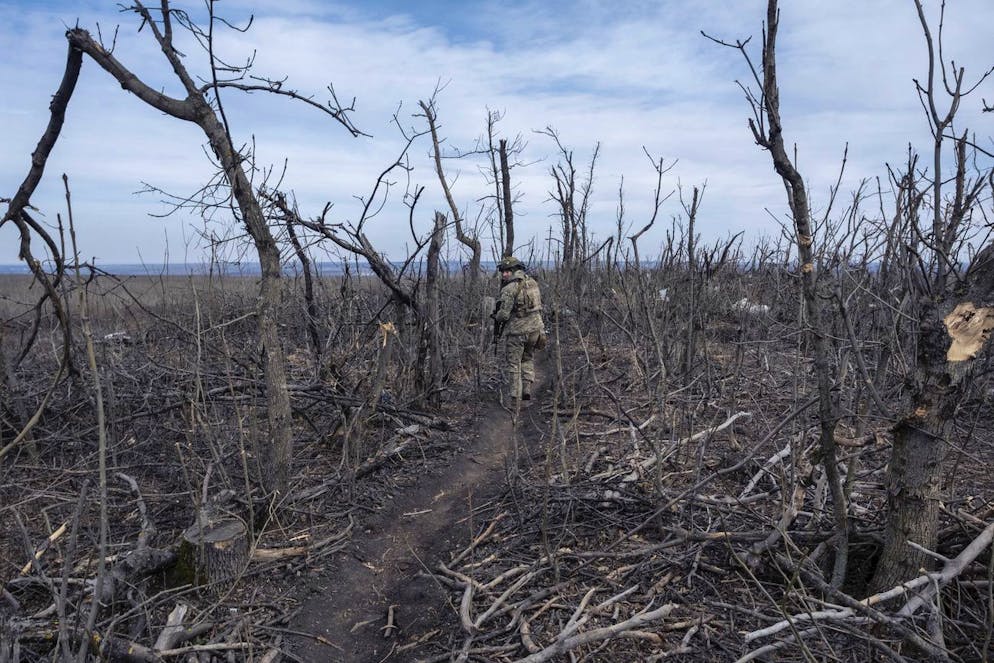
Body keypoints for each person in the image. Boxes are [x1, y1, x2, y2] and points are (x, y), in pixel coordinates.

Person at [492, 256, 544, 402]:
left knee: (514, 364)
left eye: (507, 271)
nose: (504, 274)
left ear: (515, 270)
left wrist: (495, 316)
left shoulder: (509, 288)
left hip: (517, 332)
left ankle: (515, 398)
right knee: (527, 358)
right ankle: (526, 389)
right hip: (535, 329)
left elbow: (503, 315)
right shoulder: (532, 282)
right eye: (503, 271)